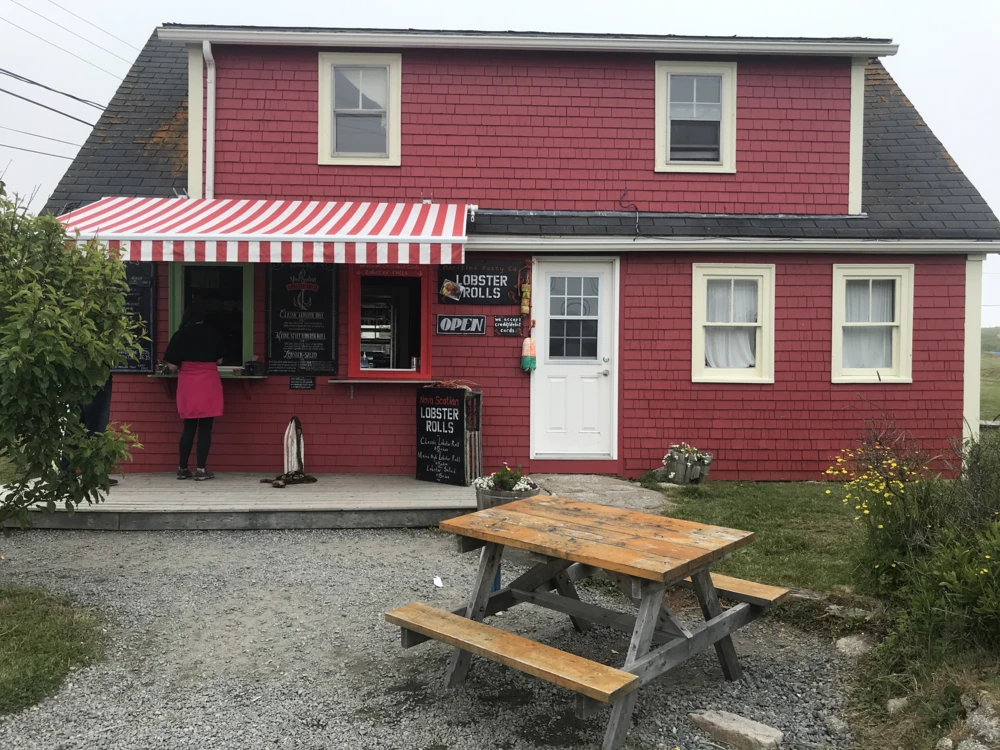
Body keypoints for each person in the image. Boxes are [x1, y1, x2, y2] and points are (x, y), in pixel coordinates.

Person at [163, 303, 224, 481]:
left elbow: (172, 366)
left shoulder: (180, 334)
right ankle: (201, 470)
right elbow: (219, 360)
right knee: (205, 427)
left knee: (188, 427)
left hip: (188, 383)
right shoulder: (214, 333)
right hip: (208, 381)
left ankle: (182, 468)